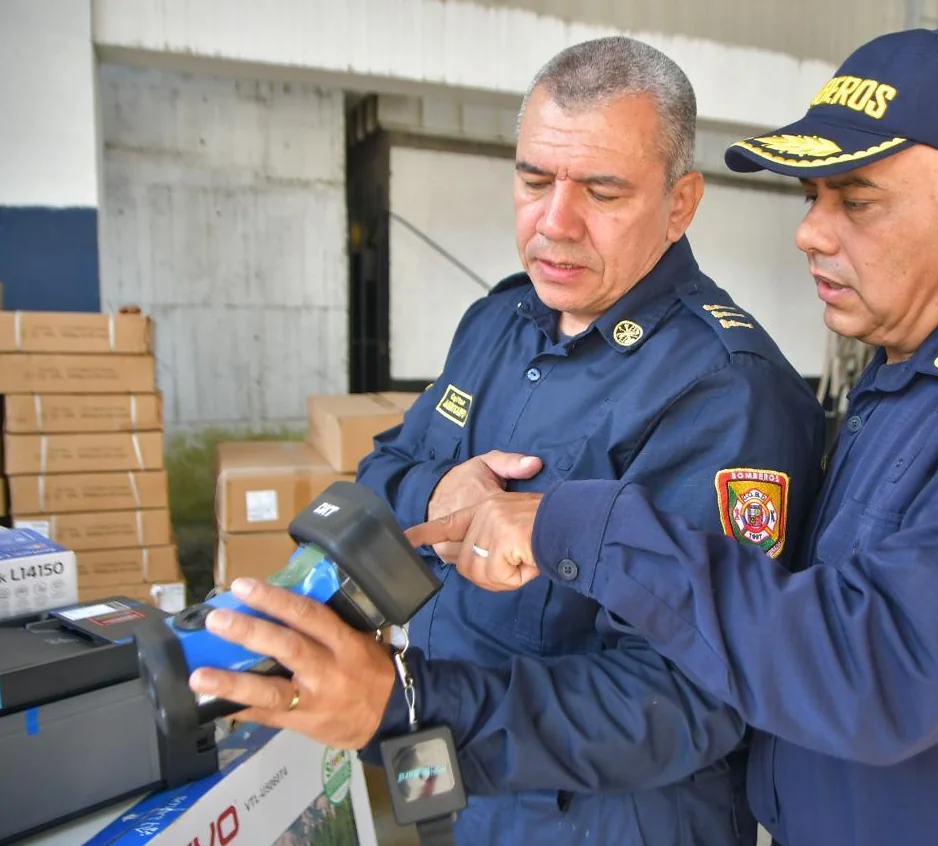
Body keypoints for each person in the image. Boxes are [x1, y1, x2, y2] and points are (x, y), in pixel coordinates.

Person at [406, 28, 938, 846]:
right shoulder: (901, 386)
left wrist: (580, 527)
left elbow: (881, 667)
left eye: (856, 201)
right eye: (810, 197)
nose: (811, 233)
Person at [184, 36, 824, 846]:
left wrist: (407, 704)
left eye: (601, 190)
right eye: (533, 180)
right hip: (467, 792)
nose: (554, 223)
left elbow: (687, 701)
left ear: (681, 201)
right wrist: (441, 494)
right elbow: (385, 469)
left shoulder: (726, 392)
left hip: (610, 821)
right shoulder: (499, 321)